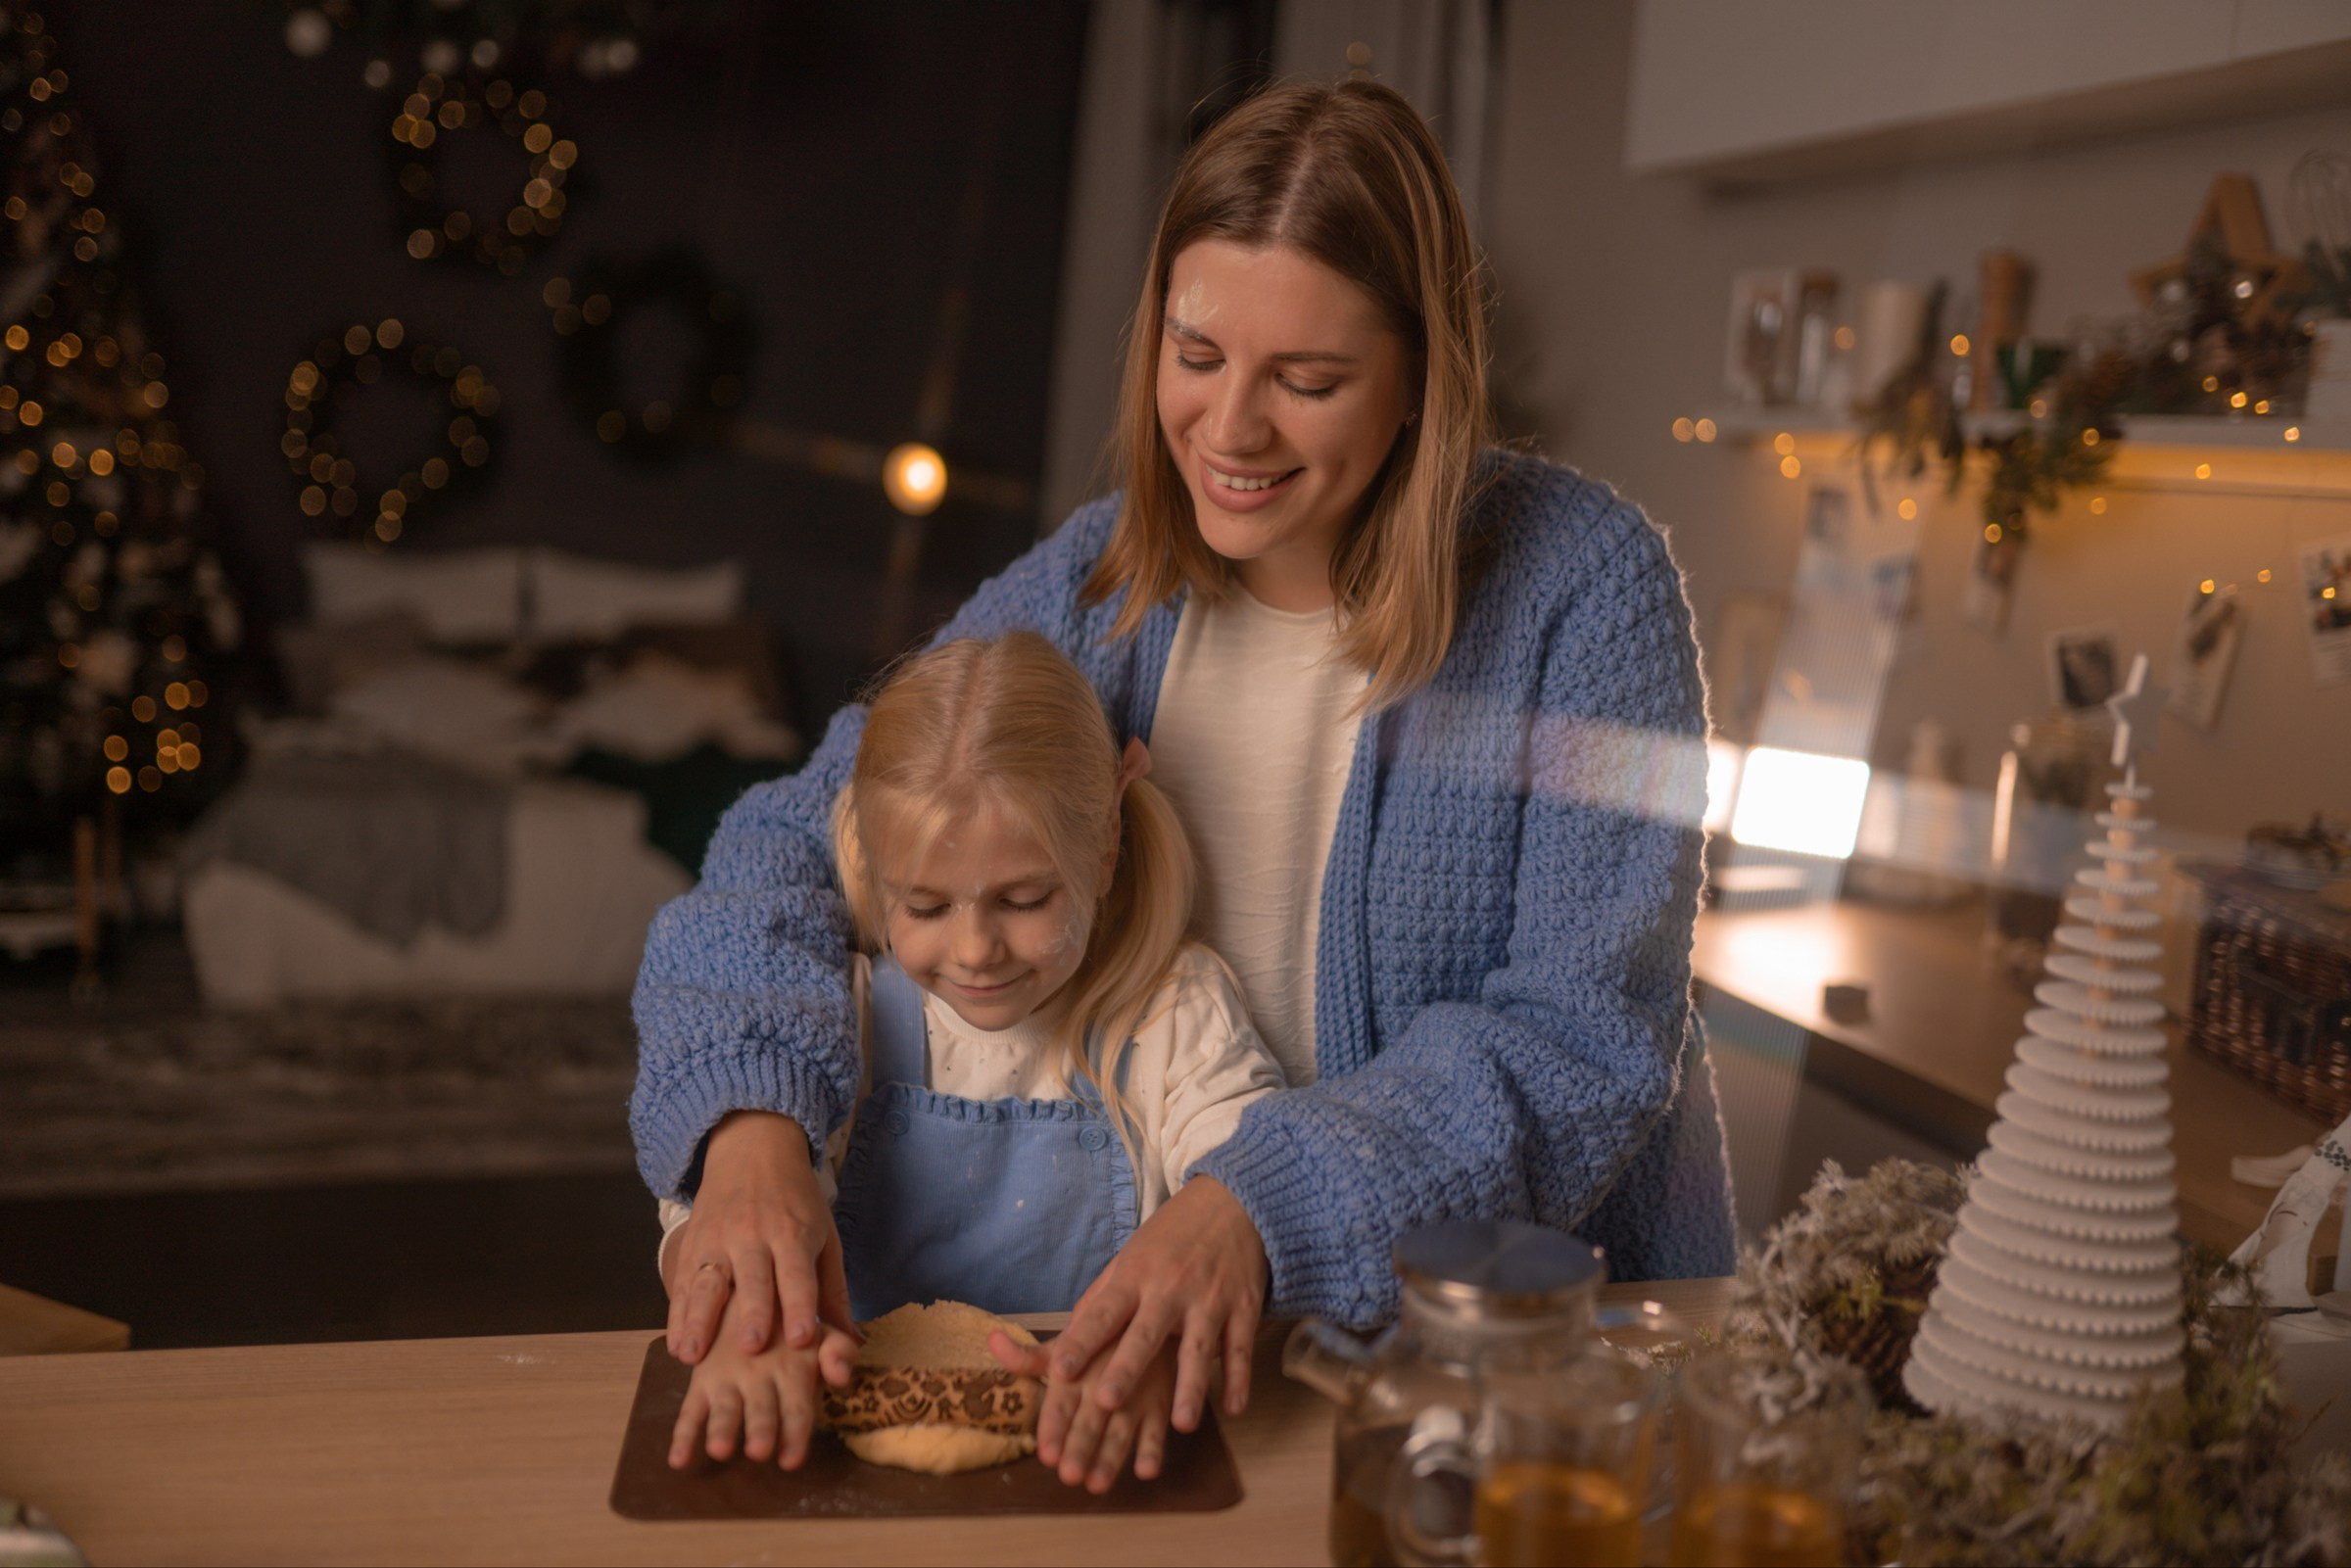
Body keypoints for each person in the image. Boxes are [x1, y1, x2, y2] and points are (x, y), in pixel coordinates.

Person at [632, 75, 1736, 1492]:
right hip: (1207, 1362)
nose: (1231, 430)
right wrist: (749, 1129)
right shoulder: (1104, 585)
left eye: (1310, 381)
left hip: (1520, 1372)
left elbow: (1581, 1039)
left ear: (1423, 375)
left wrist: (1258, 1202)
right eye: (1196, 353)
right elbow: (795, 835)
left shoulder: (1586, 595)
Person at [658, 631, 1285, 1477]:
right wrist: (745, 1316)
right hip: (846, 1438)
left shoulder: (1174, 1015)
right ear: (876, 874)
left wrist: (1169, 1341)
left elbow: (1252, 1179)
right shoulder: (839, 1018)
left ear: (1104, 847)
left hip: (1092, 1436)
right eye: (924, 904)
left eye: (1023, 898)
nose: (976, 949)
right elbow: (716, 1210)